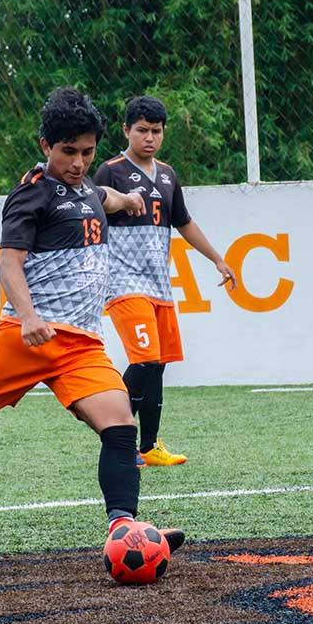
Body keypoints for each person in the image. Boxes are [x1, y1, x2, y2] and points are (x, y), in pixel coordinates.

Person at [0, 87, 183, 552]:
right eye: (69, 152)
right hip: (24, 337)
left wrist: (124, 201)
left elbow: (98, 196)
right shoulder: (31, 195)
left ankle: (125, 530)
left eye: (87, 152)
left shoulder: (85, 184)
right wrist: (26, 317)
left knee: (121, 424)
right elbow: (9, 263)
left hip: (81, 344)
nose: (79, 162)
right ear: (46, 146)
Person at [93, 97, 236, 468]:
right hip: (124, 282)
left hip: (160, 285)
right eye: (142, 130)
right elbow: (90, 216)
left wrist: (218, 259)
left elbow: (183, 222)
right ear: (126, 130)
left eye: (156, 131)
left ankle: (149, 445)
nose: (150, 137)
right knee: (144, 361)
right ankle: (116, 437)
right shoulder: (111, 172)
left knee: (157, 365)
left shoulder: (169, 175)